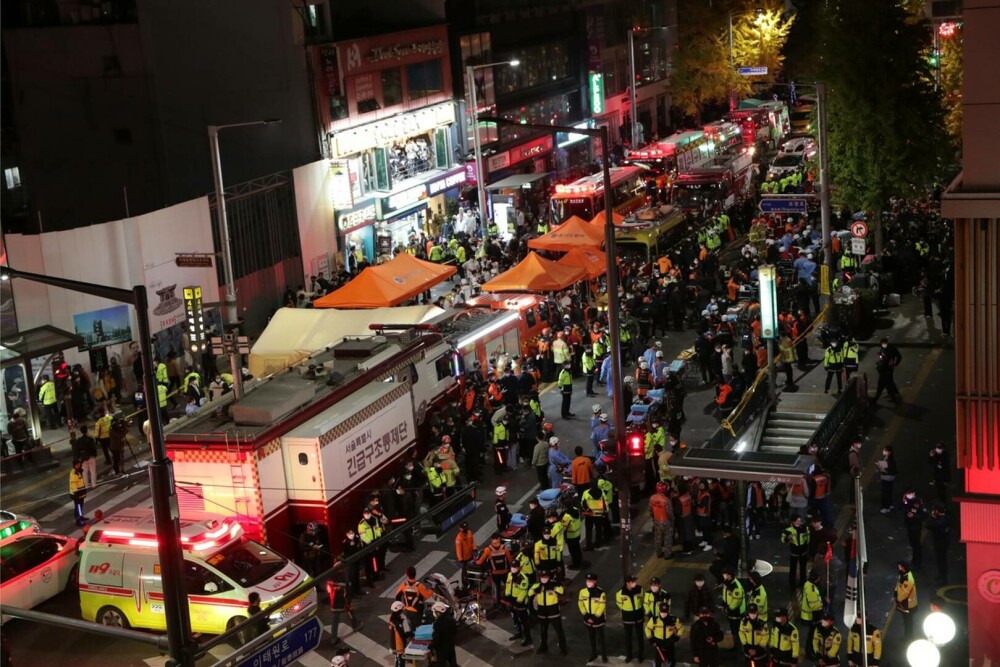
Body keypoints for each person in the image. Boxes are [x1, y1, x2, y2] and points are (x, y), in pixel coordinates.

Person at [529, 570, 567, 655]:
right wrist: (536, 590)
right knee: (543, 631)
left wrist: (554, 587)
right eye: (542, 577)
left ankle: (563, 648)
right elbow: (529, 593)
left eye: (545, 577)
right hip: (542, 612)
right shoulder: (537, 585)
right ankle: (543, 646)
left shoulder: (554, 584)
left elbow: (562, 591)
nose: (543, 579)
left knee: (559, 631)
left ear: (549, 577)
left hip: (553, 612)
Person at [578, 572, 608, 662]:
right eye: (587, 580)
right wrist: (586, 616)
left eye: (590, 580)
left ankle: (604, 655)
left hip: (598, 618)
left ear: (595, 581)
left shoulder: (600, 592)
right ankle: (593, 654)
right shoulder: (582, 592)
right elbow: (580, 604)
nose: (588, 582)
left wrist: (594, 618)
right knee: (591, 638)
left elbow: (601, 606)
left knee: (601, 638)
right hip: (588, 618)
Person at [476, 534, 512, 609]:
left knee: (497, 588)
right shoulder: (505, 548)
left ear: (491, 540)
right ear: (499, 538)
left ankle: (497, 604)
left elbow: (480, 562)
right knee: (508, 587)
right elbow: (510, 560)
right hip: (505, 572)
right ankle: (509, 600)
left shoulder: (488, 549)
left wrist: (475, 561)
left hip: (495, 573)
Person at [616, 574, 645, 663]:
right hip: (627, 618)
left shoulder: (640, 589)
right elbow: (619, 604)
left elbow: (642, 600)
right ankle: (629, 655)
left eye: (635, 581)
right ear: (627, 583)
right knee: (628, 638)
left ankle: (641, 655)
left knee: (640, 637)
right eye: (632, 582)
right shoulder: (620, 593)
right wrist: (627, 610)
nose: (634, 583)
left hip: (638, 617)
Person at [504, 559, 533, 646]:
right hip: (511, 601)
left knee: (523, 621)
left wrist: (516, 603)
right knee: (515, 619)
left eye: (515, 567)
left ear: (519, 567)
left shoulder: (523, 578)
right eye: (512, 567)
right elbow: (508, 587)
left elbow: (523, 593)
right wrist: (507, 598)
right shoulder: (509, 575)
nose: (513, 568)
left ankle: (528, 638)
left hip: (520, 603)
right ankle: (519, 633)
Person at [645, 601, 682, 667]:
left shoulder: (674, 619)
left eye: (665, 612)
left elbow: (681, 628)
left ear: (668, 610)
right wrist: (650, 638)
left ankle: (671, 661)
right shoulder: (654, 619)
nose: (663, 613)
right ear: (659, 610)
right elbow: (647, 629)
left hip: (670, 640)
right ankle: (658, 663)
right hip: (658, 641)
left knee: (670, 656)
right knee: (658, 658)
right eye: (662, 611)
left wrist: (677, 636)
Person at [800, 569, 826, 655]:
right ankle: (810, 651)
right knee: (812, 635)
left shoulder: (808, 584)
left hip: (809, 615)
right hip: (811, 616)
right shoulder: (812, 589)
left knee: (811, 634)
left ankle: (810, 650)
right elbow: (814, 605)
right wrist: (823, 604)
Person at [781, 515, 810, 590]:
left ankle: (803, 583)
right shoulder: (788, 530)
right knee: (792, 569)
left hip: (803, 552)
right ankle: (792, 585)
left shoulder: (805, 528)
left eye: (800, 521)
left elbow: (808, 538)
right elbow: (783, 540)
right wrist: (788, 538)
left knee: (803, 569)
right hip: (794, 553)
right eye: (797, 521)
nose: (799, 522)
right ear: (793, 522)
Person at [721, 566, 746, 651]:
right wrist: (724, 605)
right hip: (731, 610)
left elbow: (736, 602)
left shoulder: (736, 586)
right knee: (733, 630)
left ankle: (739, 649)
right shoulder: (727, 582)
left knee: (737, 631)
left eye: (725, 574)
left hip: (736, 612)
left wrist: (729, 609)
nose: (724, 575)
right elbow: (725, 595)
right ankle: (736, 646)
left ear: (730, 575)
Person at [925, 503, 952, 583]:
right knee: (943, 561)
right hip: (946, 541)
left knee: (940, 561)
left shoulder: (937, 523)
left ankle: (942, 578)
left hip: (939, 543)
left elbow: (927, 525)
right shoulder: (947, 518)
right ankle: (943, 577)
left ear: (937, 511)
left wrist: (932, 517)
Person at [902, 488, 928, 568]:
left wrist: (914, 516)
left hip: (916, 526)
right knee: (912, 544)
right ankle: (914, 560)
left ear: (914, 494)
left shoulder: (919, 502)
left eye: (910, 494)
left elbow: (924, 515)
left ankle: (917, 563)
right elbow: (904, 508)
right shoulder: (907, 500)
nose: (908, 496)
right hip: (909, 525)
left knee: (917, 545)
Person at [872, 337, 902, 403]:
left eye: (884, 343)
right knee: (890, 382)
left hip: (887, 369)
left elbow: (899, 356)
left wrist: (895, 364)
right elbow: (882, 357)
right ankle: (894, 394)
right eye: (882, 343)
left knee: (882, 384)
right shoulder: (883, 348)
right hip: (883, 368)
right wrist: (880, 358)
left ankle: (877, 398)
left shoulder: (891, 349)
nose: (883, 345)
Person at [649, 481, 674, 560]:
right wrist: (672, 520)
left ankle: (658, 553)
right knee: (668, 538)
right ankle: (667, 554)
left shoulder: (652, 498)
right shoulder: (666, 500)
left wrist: (654, 518)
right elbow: (669, 513)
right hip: (666, 522)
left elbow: (650, 510)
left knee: (658, 538)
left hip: (657, 521)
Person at [429, 601, 458, 667]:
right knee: (453, 663)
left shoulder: (438, 623)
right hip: (450, 646)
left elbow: (437, 639)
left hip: (441, 649)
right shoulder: (451, 619)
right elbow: (455, 631)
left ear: (438, 612)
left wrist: (430, 646)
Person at [894, 560, 918, 639]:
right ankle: (907, 635)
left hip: (907, 605)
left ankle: (909, 637)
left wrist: (898, 599)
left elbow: (905, 593)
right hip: (905, 604)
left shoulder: (908, 579)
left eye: (900, 566)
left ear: (904, 568)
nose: (899, 567)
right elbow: (899, 585)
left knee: (908, 622)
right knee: (907, 621)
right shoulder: (903, 575)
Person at [73, 424, 99, 488]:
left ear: (81, 432)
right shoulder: (90, 439)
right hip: (91, 457)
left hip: (83, 458)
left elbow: (76, 450)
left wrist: (79, 457)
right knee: (93, 471)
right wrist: (94, 455)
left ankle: (86, 485)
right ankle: (94, 484)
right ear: (87, 431)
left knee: (84, 472)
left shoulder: (78, 441)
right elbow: (94, 448)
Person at [388, 600, 413, 667]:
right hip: (398, 646)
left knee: (398, 661)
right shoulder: (397, 623)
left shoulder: (392, 619)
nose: (402, 611)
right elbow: (402, 635)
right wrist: (411, 633)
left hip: (395, 644)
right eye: (401, 610)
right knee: (400, 663)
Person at [454, 522, 476, 589]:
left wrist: (475, 549)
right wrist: (460, 560)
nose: (466, 531)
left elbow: (473, 542)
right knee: (464, 572)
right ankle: (465, 585)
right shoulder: (458, 539)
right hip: (464, 559)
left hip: (471, 555)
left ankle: (472, 582)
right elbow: (458, 550)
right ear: (460, 529)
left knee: (473, 570)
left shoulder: (469, 532)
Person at [877, 445, 898, 513]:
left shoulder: (889, 460)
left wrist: (881, 468)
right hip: (889, 478)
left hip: (887, 478)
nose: (884, 451)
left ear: (889, 452)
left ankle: (886, 507)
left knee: (885, 493)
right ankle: (890, 504)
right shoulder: (888, 458)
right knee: (889, 492)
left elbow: (889, 470)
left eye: (885, 450)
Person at [69, 459, 88, 526]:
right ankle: (78, 520)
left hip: (80, 492)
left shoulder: (78, 471)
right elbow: (74, 486)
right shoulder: (74, 473)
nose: (80, 465)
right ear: (75, 465)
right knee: (78, 507)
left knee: (80, 506)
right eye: (78, 464)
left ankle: (81, 517)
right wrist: (77, 495)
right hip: (77, 494)